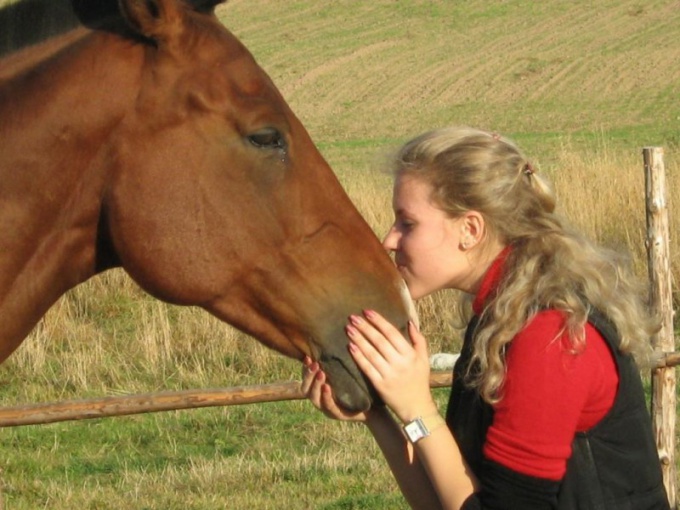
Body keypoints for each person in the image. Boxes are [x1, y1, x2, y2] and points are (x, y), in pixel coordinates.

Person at [301, 126, 670, 510]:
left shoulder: (549, 336)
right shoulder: (500, 320)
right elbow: (449, 500)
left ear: (470, 229)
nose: (389, 240)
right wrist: (378, 417)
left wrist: (418, 408)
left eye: (407, 223)